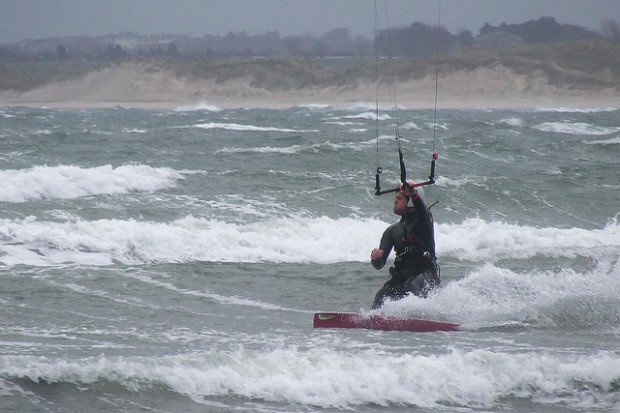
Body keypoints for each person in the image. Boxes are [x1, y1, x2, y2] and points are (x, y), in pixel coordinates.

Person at [370, 180, 439, 309]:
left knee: (412, 285)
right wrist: (376, 258)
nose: (395, 201)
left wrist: (414, 194)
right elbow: (379, 265)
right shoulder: (392, 231)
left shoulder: (424, 221)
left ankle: (420, 316)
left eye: (400, 198)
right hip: (402, 276)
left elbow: (422, 212)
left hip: (425, 275)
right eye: (396, 198)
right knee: (382, 295)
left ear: (411, 202)